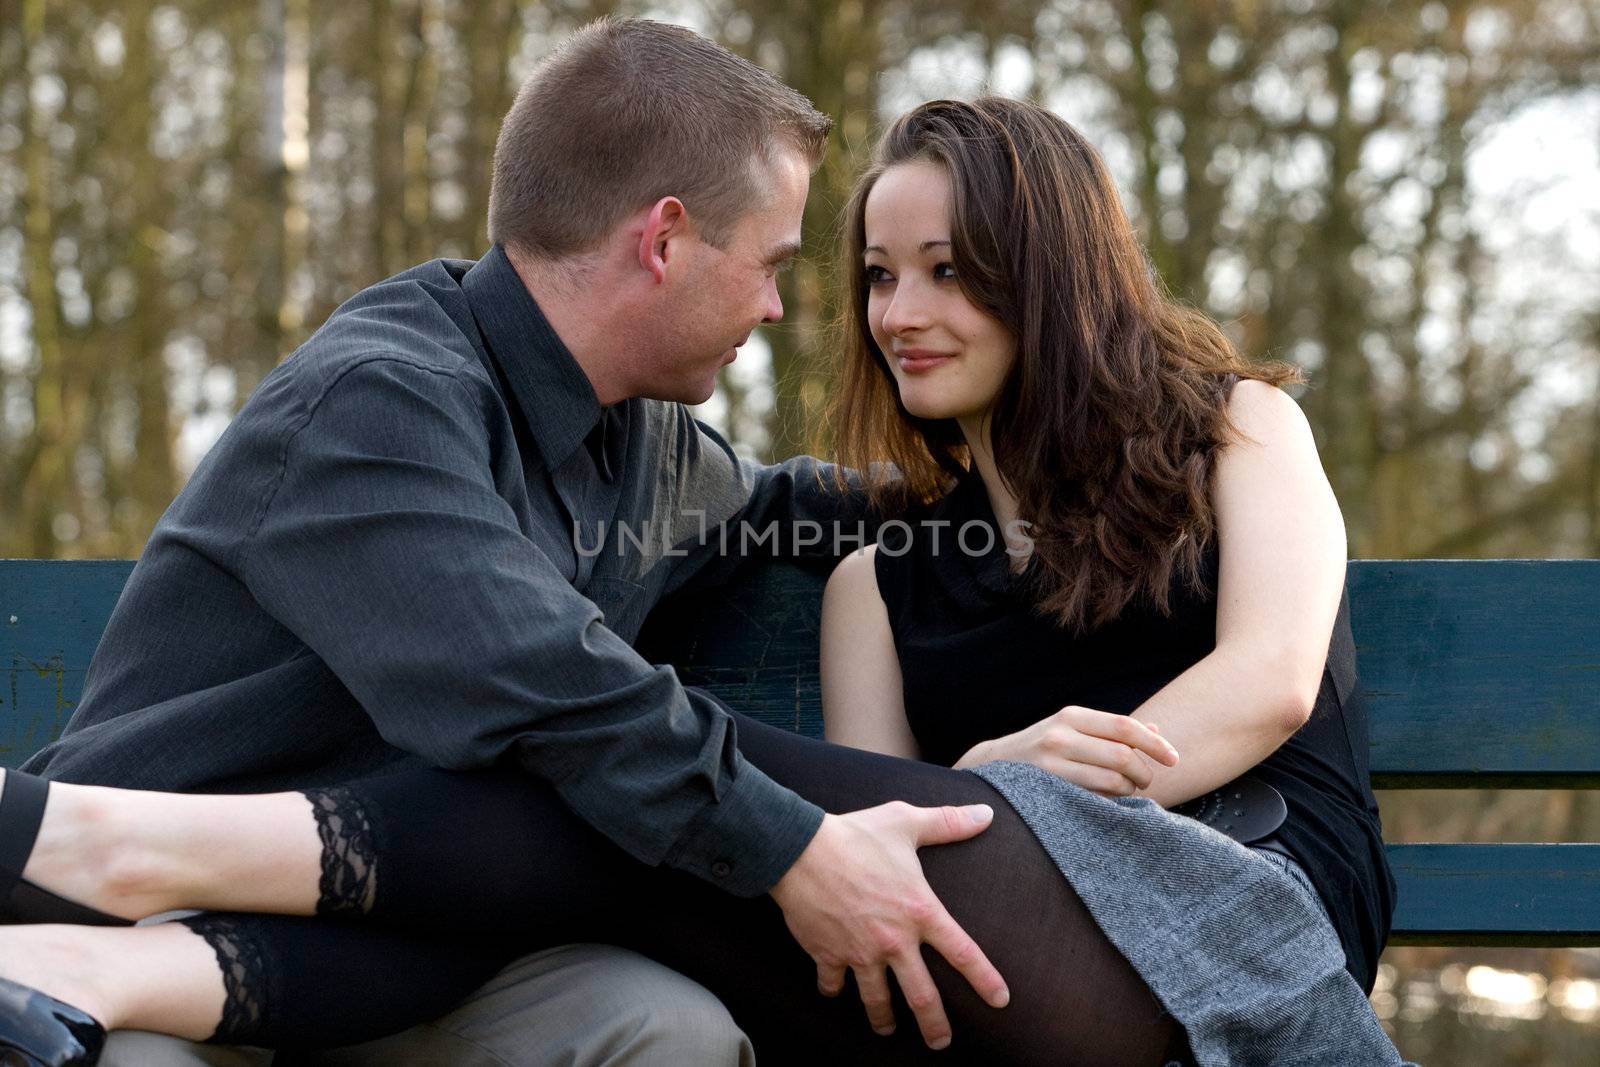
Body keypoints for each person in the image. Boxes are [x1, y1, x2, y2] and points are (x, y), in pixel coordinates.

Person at [0, 95, 1411, 1066]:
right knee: (614, 817)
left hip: (1238, 898)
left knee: (619, 784)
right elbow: (871, 861)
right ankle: (108, 949)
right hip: (970, 961)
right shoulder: (879, 574)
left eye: (952, 272)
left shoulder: (1236, 428)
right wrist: (962, 799)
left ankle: (102, 852)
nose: (893, 312)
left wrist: (1018, 793)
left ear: (1051, 273)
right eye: (874, 272)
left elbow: (1273, 678)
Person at [2, 17, 1011, 1067]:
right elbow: (542, 680)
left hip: (425, 940)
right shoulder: (377, 401)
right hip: (162, 924)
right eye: (769, 264)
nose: (772, 306)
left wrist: (1033, 482)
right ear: (663, 242)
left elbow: (781, 507)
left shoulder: (646, 440)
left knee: (672, 1032)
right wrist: (793, 847)